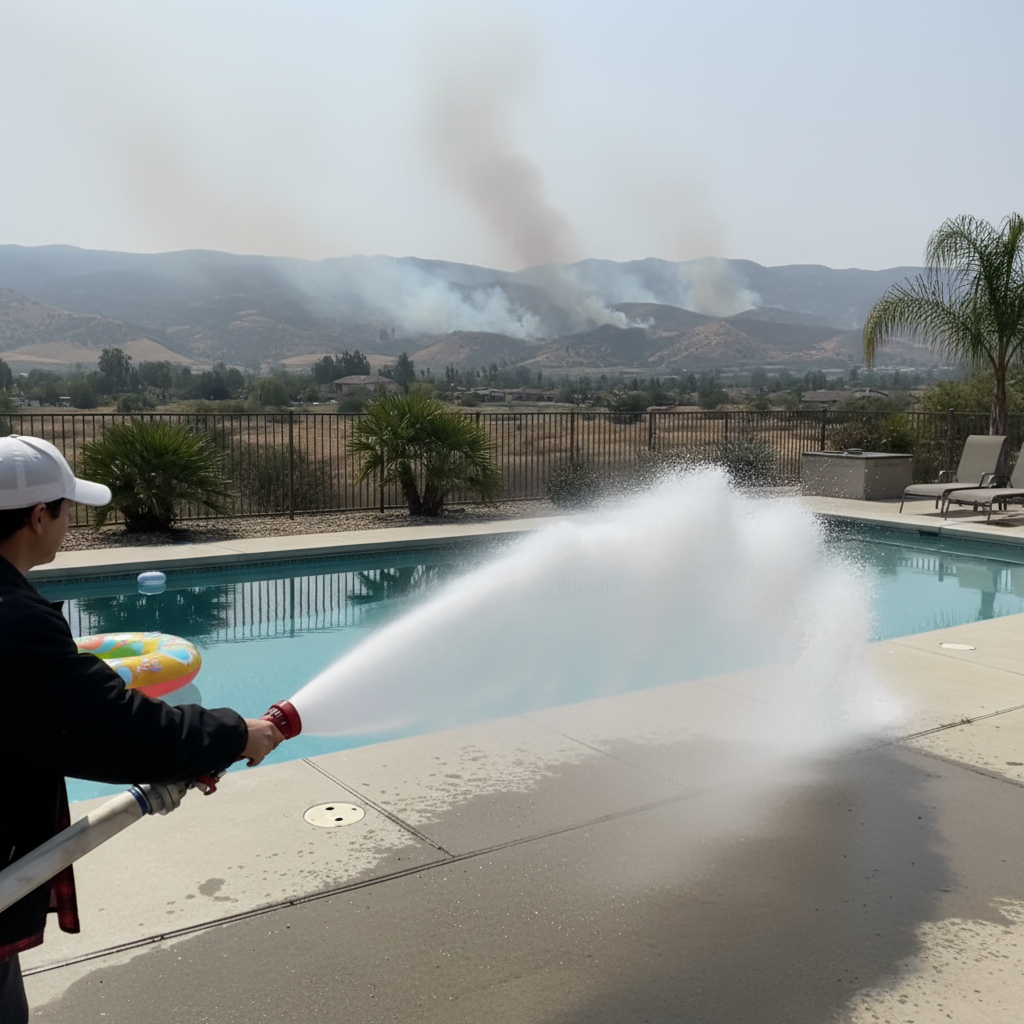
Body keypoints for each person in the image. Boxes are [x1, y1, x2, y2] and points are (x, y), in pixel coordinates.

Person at [0, 435, 283, 1023]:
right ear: (36, 517)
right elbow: (113, 729)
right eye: (66, 508)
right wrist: (235, 733)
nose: (69, 520)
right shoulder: (13, 625)